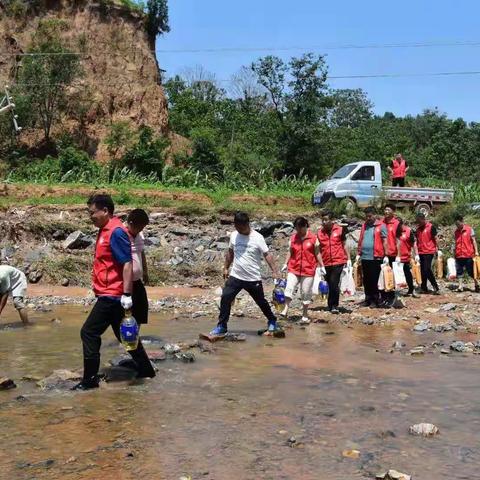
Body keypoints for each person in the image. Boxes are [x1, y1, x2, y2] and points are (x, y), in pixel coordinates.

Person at [73, 194, 155, 391]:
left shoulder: (115, 232)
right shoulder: (105, 229)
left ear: (105, 211)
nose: (90, 216)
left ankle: (90, 380)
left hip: (113, 294)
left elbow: (127, 263)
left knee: (89, 332)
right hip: (108, 293)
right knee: (124, 335)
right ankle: (146, 370)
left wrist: (126, 294)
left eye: (93, 212)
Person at [209, 211, 281, 336]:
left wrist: (275, 271)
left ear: (247, 224)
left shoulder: (258, 237)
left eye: (241, 227)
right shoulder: (234, 235)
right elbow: (230, 252)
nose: (239, 230)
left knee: (261, 302)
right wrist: (226, 267)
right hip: (236, 275)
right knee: (225, 298)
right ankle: (222, 326)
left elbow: (267, 255)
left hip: (252, 278)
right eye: (237, 227)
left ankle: (272, 320)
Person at [280, 217, 322, 323]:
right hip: (294, 268)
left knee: (305, 292)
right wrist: (285, 263)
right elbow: (290, 251)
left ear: (305, 226)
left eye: (299, 229)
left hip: (308, 270)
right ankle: (285, 310)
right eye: (296, 229)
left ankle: (304, 313)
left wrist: (322, 266)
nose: (298, 231)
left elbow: (317, 253)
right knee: (289, 288)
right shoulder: (293, 238)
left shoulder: (313, 238)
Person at [316, 211, 350, 314]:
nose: (324, 222)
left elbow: (344, 245)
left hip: (338, 261)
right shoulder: (319, 233)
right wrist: (319, 264)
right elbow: (318, 249)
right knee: (328, 284)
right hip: (325, 262)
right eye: (323, 220)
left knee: (334, 283)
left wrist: (348, 259)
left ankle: (334, 305)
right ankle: (330, 304)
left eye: (326, 220)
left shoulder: (340, 230)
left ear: (332, 220)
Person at [356, 207, 388, 307]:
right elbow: (361, 239)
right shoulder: (364, 225)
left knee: (374, 279)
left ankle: (375, 299)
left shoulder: (381, 226)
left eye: (370, 216)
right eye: (367, 216)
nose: (368, 218)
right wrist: (358, 253)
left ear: (374, 215)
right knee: (366, 279)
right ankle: (368, 298)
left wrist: (386, 255)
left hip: (376, 257)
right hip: (365, 256)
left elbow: (385, 241)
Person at [126, 209, 150, 327]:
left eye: (143, 227)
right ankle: (125, 339)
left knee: (141, 308)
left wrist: (145, 272)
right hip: (125, 282)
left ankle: (135, 337)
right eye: (139, 227)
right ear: (130, 224)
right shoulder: (122, 235)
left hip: (137, 281)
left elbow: (142, 253)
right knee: (126, 312)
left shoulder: (140, 235)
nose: (141, 230)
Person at [381, 204, 403, 307]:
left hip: (392, 253)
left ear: (393, 211)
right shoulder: (381, 223)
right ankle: (383, 297)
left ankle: (391, 297)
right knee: (383, 276)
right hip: (381, 254)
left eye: (388, 210)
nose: (386, 212)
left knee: (391, 276)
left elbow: (398, 240)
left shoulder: (397, 224)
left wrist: (398, 255)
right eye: (385, 210)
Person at [415, 213, 440, 295]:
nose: (418, 223)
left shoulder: (431, 227)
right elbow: (417, 241)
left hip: (429, 251)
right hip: (421, 252)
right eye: (417, 221)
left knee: (427, 269)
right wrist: (416, 253)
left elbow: (436, 238)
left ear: (423, 219)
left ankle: (435, 286)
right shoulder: (418, 229)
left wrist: (437, 248)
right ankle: (424, 287)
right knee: (422, 270)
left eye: (419, 221)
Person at [454, 214, 479, 293]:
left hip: (468, 254)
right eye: (456, 224)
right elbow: (456, 243)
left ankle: (476, 284)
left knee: (471, 271)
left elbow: (474, 241)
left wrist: (476, 251)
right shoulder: (456, 232)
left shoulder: (469, 229)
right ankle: (460, 286)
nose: (457, 226)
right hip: (459, 254)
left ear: (462, 222)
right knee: (459, 271)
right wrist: (454, 252)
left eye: (458, 224)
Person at [399, 222, 419, 297]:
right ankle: (395, 291)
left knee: (407, 273)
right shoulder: (394, 231)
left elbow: (413, 243)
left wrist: (416, 254)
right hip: (395, 257)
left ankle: (411, 289)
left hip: (405, 256)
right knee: (396, 274)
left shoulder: (408, 231)